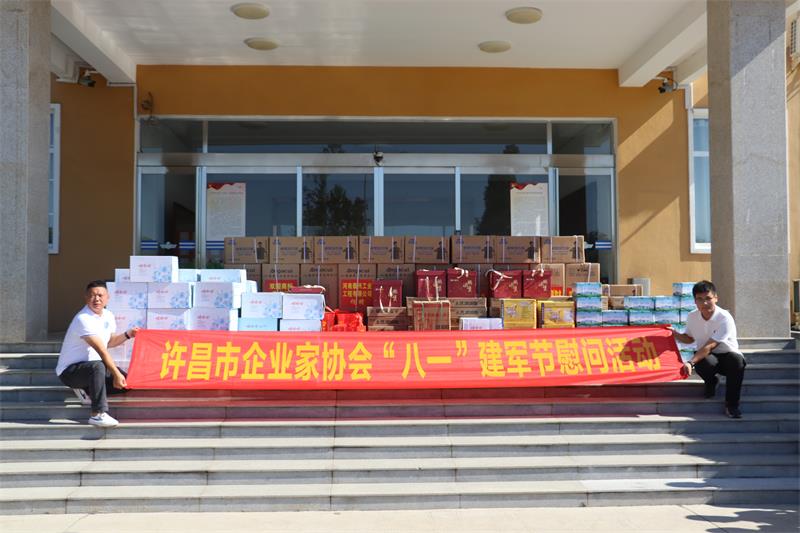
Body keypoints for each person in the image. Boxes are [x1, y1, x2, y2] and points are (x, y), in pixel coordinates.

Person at [55, 280, 139, 428]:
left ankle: (89, 389)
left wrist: (128, 334)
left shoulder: (108, 315)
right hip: (70, 372)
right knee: (98, 366)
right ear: (86, 298)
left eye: (100, 295)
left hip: (93, 369)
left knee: (127, 382)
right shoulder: (83, 319)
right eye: (92, 295)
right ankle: (97, 414)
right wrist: (115, 373)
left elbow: (110, 342)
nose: (97, 299)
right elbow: (102, 350)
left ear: (108, 298)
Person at [672, 280, 746, 419]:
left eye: (708, 298)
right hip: (708, 357)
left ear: (716, 298)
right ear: (695, 301)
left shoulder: (724, 317)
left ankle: (732, 405)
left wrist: (690, 362)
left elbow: (711, 345)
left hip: (727, 356)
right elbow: (689, 338)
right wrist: (674, 334)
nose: (704, 303)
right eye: (699, 299)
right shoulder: (692, 316)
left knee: (737, 362)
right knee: (702, 362)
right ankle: (711, 382)